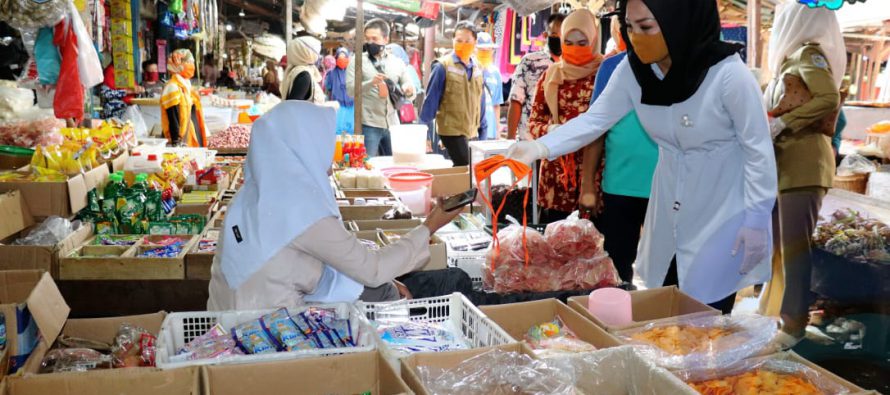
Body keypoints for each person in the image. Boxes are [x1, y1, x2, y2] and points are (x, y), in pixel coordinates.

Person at [507, 0, 777, 314]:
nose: (636, 38)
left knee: (705, 315)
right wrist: (539, 147)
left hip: (723, 205)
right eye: (630, 27)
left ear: (679, 22)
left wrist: (757, 219)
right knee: (666, 300)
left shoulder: (729, 76)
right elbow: (595, 120)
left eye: (646, 27)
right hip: (669, 201)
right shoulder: (633, 71)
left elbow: (759, 152)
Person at [208, 101, 463, 310]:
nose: (329, 158)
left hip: (231, 320)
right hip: (273, 334)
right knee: (449, 283)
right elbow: (373, 270)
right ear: (303, 148)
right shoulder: (300, 210)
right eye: (322, 145)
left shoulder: (253, 196)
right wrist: (431, 225)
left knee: (395, 287)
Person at [758, 2, 844, 349]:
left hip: (805, 164)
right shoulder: (794, 58)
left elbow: (828, 97)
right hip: (788, 166)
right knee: (782, 246)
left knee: (795, 248)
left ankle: (793, 326)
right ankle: (781, 316)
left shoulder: (809, 54)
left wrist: (784, 122)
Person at [589, 21, 658, 285]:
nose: (635, 34)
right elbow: (595, 128)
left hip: (666, 188)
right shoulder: (611, 67)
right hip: (620, 185)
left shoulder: (679, 65)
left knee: (664, 269)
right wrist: (588, 185)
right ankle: (618, 319)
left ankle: (662, 322)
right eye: (628, 26)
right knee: (617, 266)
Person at [526, 10, 604, 224]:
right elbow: (533, 122)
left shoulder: (606, 74)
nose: (575, 49)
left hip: (595, 173)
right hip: (555, 176)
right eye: (568, 42)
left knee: (593, 247)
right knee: (554, 246)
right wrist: (552, 130)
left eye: (582, 42)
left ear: (594, 39)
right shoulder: (550, 76)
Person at [420, 22, 487, 167]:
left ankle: (462, 190)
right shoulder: (442, 66)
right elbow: (430, 102)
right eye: (459, 40)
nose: (463, 44)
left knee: (470, 172)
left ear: (475, 42)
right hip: (451, 131)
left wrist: (483, 130)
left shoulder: (478, 68)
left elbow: (481, 100)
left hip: (472, 131)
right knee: (465, 167)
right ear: (453, 41)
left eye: (467, 41)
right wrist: (424, 135)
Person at [347, 19, 416, 157]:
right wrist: (371, 83)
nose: (370, 42)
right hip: (369, 124)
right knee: (368, 165)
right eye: (367, 39)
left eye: (375, 38)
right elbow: (350, 90)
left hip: (393, 124)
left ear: (385, 39)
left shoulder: (397, 62)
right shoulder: (357, 61)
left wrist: (408, 89)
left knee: (395, 164)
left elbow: (410, 89)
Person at [507, 13, 566, 140]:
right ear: (546, 36)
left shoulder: (572, 66)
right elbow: (516, 101)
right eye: (555, 35)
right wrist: (510, 140)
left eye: (564, 36)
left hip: (560, 143)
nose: (560, 39)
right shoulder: (530, 61)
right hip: (530, 140)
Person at [161, 49, 207, 147]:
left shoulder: (186, 85)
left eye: (193, 63)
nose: (192, 66)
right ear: (178, 64)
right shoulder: (172, 87)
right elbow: (173, 117)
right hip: (180, 141)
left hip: (190, 135)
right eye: (189, 62)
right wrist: (176, 142)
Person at [476, 32, 504, 140]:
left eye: (488, 50)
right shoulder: (470, 70)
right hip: (472, 130)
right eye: (481, 50)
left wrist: (498, 131)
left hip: (490, 129)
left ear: (492, 51)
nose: (485, 53)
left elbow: (496, 104)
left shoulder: (495, 73)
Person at [281, 36, 325, 103]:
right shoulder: (304, 74)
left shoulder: (295, 70)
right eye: (316, 52)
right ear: (306, 53)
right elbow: (293, 107)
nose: (318, 55)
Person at [324, 48, 356, 135]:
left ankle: (349, 148)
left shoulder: (353, 73)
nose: (342, 60)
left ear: (347, 58)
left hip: (351, 103)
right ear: (336, 58)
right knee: (337, 128)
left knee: (351, 128)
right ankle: (338, 147)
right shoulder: (331, 73)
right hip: (337, 104)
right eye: (340, 57)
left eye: (344, 57)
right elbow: (328, 88)